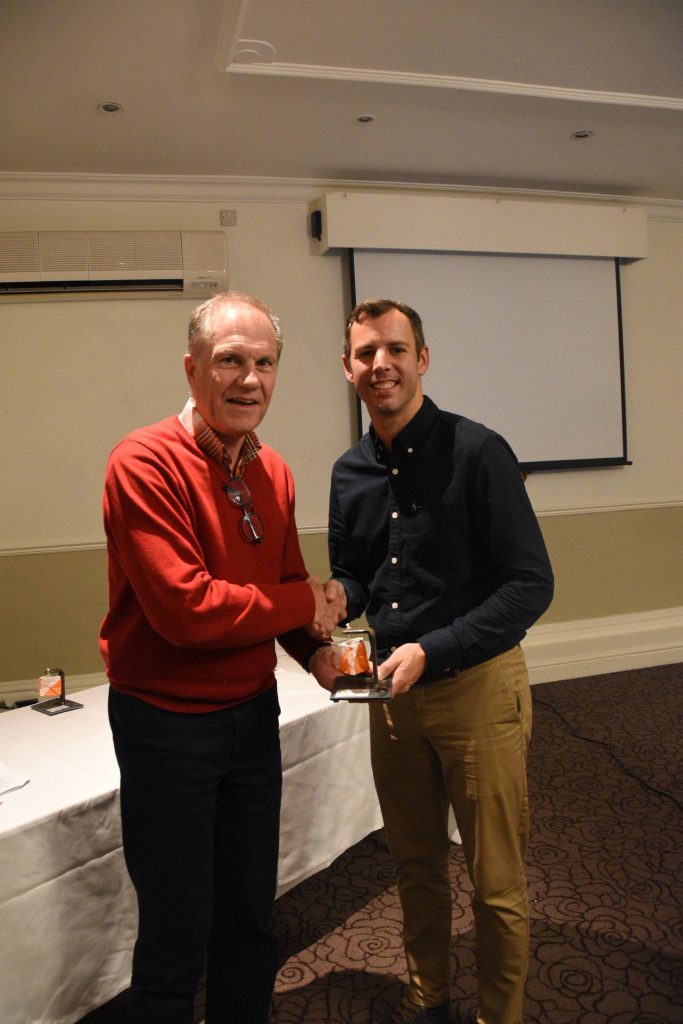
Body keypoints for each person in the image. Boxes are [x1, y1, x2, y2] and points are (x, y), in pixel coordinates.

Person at [100, 291, 345, 1024]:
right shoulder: (142, 462)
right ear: (192, 368)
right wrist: (304, 603)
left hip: (251, 718)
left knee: (249, 920)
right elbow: (188, 612)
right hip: (165, 728)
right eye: (230, 361)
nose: (249, 380)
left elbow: (284, 586)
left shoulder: (275, 472)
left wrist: (319, 654)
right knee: (175, 932)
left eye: (264, 363)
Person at [309, 299, 554, 1024]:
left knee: (495, 882)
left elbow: (530, 585)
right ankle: (427, 999)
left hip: (477, 690)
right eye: (365, 353)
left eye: (394, 348)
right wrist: (339, 595)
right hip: (391, 699)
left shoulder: (478, 452)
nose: (379, 364)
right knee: (413, 865)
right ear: (347, 368)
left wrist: (433, 647)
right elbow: (358, 574)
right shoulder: (349, 472)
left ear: (422, 358)